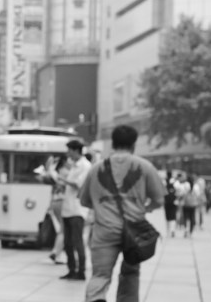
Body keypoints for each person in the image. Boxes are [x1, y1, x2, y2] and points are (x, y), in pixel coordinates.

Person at [79, 125, 165, 302]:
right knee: (130, 274)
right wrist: (143, 208)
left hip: (104, 231)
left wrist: (103, 206)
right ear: (133, 144)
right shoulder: (145, 166)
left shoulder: (96, 169)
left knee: (100, 275)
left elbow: (84, 201)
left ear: (113, 143)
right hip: (134, 232)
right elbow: (159, 199)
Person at [55, 139, 91, 281]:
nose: (68, 153)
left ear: (76, 150)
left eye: (69, 150)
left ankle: (81, 271)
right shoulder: (74, 166)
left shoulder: (85, 166)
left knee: (77, 241)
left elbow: (78, 184)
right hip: (68, 208)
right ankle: (71, 269)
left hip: (77, 209)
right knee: (68, 242)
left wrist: (62, 179)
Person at [163, 173, 178, 238]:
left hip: (167, 202)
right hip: (173, 203)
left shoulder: (164, 183)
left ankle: (168, 231)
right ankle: (172, 230)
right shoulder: (175, 183)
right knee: (173, 217)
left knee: (168, 218)